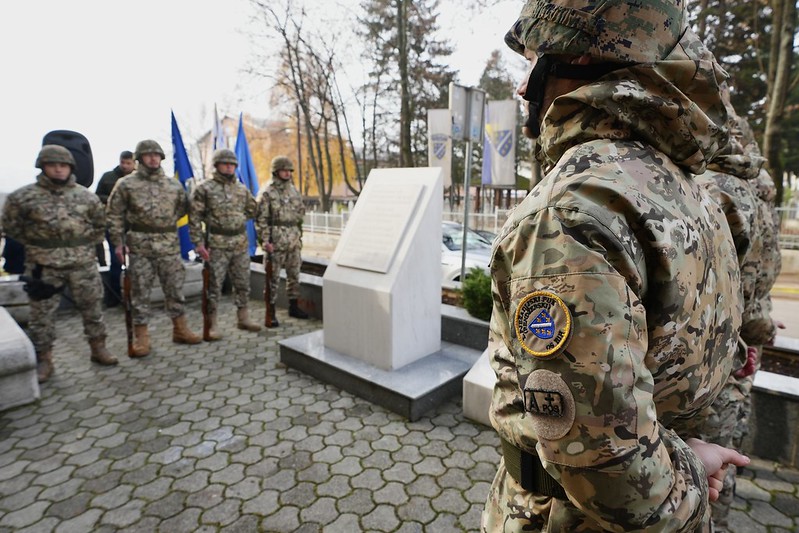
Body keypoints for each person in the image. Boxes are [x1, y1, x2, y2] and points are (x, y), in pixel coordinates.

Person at [482, 1, 750, 530]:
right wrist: (690, 464)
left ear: (581, 60)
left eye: (534, 63)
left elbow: (604, 463)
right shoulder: (688, 188)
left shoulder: (574, 207)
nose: (522, 87)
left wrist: (687, 483)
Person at [1, 145, 118, 382]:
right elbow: (11, 227)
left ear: (70, 168)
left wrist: (81, 247)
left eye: (63, 165)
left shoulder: (86, 196)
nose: (58, 169)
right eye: (52, 165)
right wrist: (40, 245)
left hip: (82, 265)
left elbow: (99, 226)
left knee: (93, 310)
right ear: (42, 166)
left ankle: (98, 348)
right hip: (44, 267)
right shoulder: (24, 197)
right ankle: (45, 359)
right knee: (42, 316)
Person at [107, 139, 201, 357]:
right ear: (139, 158)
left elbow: (182, 209)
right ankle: (141, 337)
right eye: (148, 155)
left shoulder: (173, 185)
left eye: (156, 155)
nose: (153, 158)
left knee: (174, 289)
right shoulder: (126, 184)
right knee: (140, 292)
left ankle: (180, 329)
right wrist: (118, 243)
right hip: (141, 247)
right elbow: (114, 215)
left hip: (169, 245)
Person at [189, 148, 261, 338]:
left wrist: (238, 219)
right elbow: (194, 218)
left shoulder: (241, 189)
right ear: (217, 165)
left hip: (239, 243)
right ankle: (211, 324)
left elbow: (253, 209)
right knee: (214, 286)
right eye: (225, 164)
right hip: (216, 245)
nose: (229, 167)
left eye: (232, 164)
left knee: (243, 282)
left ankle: (243, 317)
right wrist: (198, 243)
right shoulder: (205, 189)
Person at [255, 155, 308, 326]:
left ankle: (294, 306)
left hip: (293, 241)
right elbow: (260, 219)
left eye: (289, 170)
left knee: (294, 275)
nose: (287, 173)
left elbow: (300, 213)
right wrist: (265, 241)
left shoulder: (293, 191)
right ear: (276, 171)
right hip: (275, 242)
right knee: (273, 279)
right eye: (284, 170)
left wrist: (298, 236)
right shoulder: (267, 192)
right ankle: (271, 312)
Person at [95, 150, 135, 306]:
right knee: (116, 261)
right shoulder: (108, 177)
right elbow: (98, 196)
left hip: (134, 227)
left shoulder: (137, 180)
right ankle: (114, 297)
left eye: (128, 163)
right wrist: (115, 200)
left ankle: (133, 295)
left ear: (134, 163)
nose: (125, 166)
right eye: (123, 162)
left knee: (137, 262)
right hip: (113, 226)